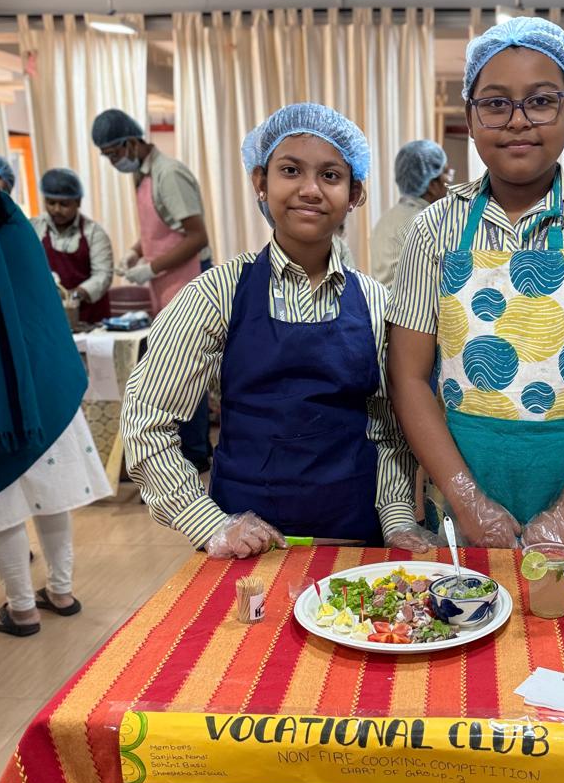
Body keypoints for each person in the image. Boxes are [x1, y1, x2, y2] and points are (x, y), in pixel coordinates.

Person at [387, 17, 564, 549]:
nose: (518, 121)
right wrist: (466, 499)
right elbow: (408, 377)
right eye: (495, 103)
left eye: (541, 101)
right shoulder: (433, 228)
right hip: (460, 489)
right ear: (470, 117)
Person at [121, 102, 430, 557]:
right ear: (260, 182)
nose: (310, 190)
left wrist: (398, 517)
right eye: (290, 170)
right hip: (245, 548)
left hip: (354, 542)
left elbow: (388, 431)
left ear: (354, 193)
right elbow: (147, 420)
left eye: (330, 175)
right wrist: (209, 523)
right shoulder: (216, 294)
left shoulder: (375, 302)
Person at [0, 120, 111, 636]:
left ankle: (22, 608)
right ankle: (61, 591)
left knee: (3, 497)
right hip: (45, 381)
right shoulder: (6, 212)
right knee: (50, 490)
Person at [91, 108, 212, 470]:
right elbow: (160, 230)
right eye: (107, 156)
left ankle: (195, 453)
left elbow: (197, 236)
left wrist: (152, 267)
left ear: (131, 142)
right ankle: (189, 448)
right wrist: (135, 251)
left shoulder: (168, 173)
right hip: (168, 283)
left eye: (114, 153)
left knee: (186, 372)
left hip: (190, 281)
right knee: (174, 371)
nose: (113, 162)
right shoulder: (142, 176)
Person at [31, 168, 114, 324]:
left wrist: (75, 295)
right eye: (50, 203)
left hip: (91, 318)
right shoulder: (35, 228)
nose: (56, 210)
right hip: (49, 315)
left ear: (78, 202)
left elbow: (103, 275)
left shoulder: (94, 233)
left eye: (64, 204)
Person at [370, 140, 449, 287]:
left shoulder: (385, 220)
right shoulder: (426, 223)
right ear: (432, 185)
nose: (449, 182)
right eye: (446, 173)